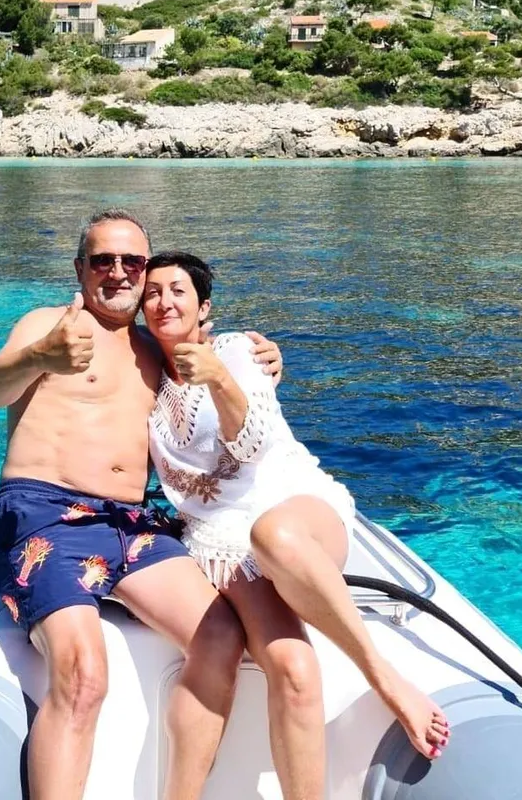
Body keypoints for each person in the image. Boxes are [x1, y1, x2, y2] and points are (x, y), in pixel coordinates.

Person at [0, 210, 282, 800]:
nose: (117, 272)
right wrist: (40, 357)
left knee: (220, 636)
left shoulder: (153, 351)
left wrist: (265, 358)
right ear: (80, 269)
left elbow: (219, 375)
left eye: (132, 261)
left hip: (131, 523)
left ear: (144, 271)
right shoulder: (49, 325)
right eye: (102, 260)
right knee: (85, 675)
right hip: (46, 515)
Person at [141, 251, 451, 800]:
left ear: (204, 307)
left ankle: (384, 677)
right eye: (153, 293)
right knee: (295, 667)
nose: (164, 301)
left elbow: (252, 444)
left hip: (295, 507)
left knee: (275, 535)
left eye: (178, 291)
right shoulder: (143, 375)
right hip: (220, 540)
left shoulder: (236, 352)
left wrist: (218, 378)